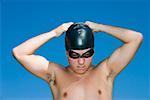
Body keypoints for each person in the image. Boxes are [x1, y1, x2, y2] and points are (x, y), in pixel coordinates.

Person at [12, 21, 143, 100]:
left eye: (87, 54)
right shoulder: (55, 74)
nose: (81, 62)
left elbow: (136, 38)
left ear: (94, 52)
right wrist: (54, 33)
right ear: (66, 54)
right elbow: (19, 52)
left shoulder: (105, 71)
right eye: (75, 55)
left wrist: (100, 27)